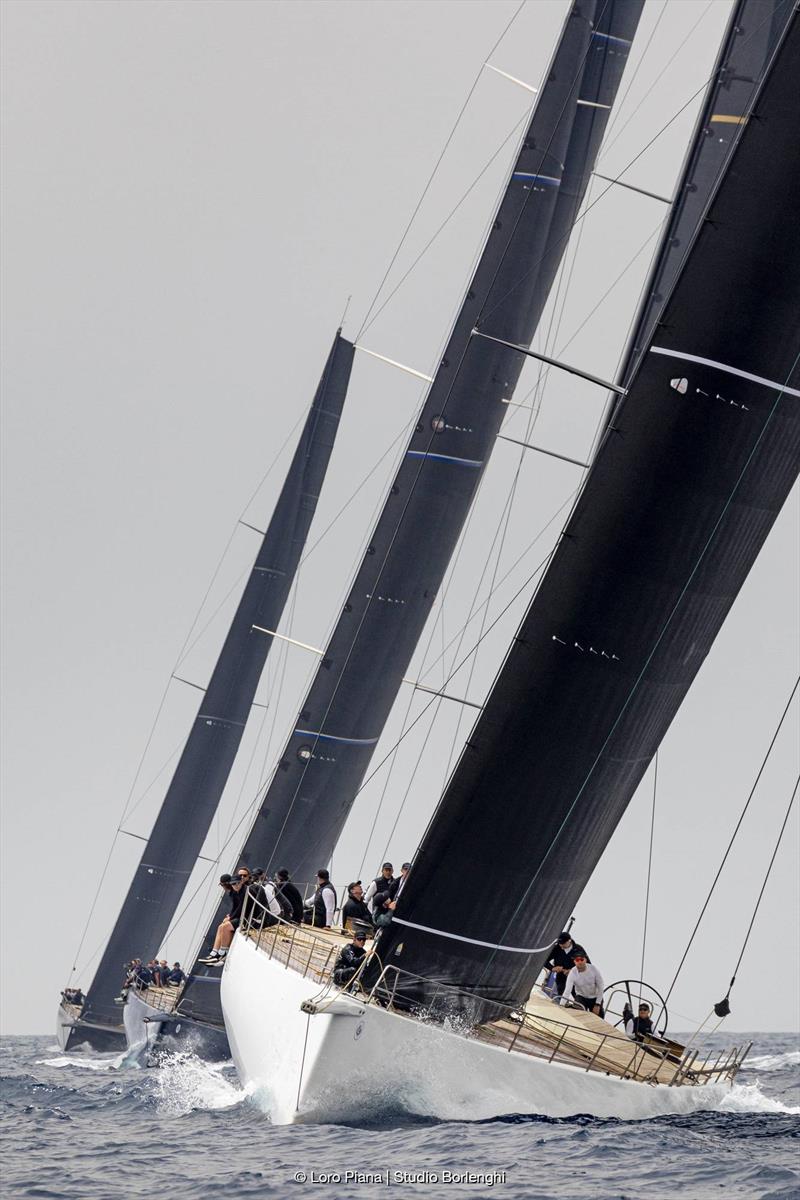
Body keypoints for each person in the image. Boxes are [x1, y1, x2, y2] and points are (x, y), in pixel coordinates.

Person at [199, 871, 248, 964]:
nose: (223, 888)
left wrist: (230, 918)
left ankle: (222, 953)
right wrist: (230, 916)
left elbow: (241, 907)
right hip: (240, 916)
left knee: (224, 927)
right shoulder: (233, 892)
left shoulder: (237, 891)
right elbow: (235, 907)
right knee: (221, 926)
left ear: (226, 884)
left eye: (222, 885)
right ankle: (214, 953)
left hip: (246, 918)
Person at [543, 932, 591, 998]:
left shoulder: (578, 949)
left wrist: (573, 970)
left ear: (569, 941)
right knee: (561, 998)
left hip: (576, 979)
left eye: (563, 943)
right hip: (561, 978)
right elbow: (544, 960)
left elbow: (588, 965)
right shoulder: (557, 948)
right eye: (560, 943)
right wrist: (552, 968)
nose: (561, 945)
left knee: (579, 999)